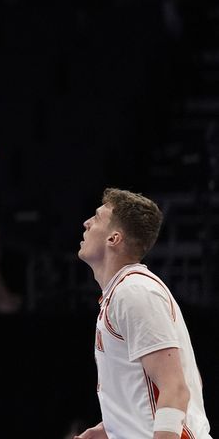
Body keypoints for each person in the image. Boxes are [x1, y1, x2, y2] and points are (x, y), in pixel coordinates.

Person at [74, 188, 212, 439]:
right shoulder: (121, 294)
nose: (86, 223)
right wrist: (111, 428)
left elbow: (176, 389)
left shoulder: (135, 291)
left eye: (96, 217)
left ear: (113, 239)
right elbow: (188, 380)